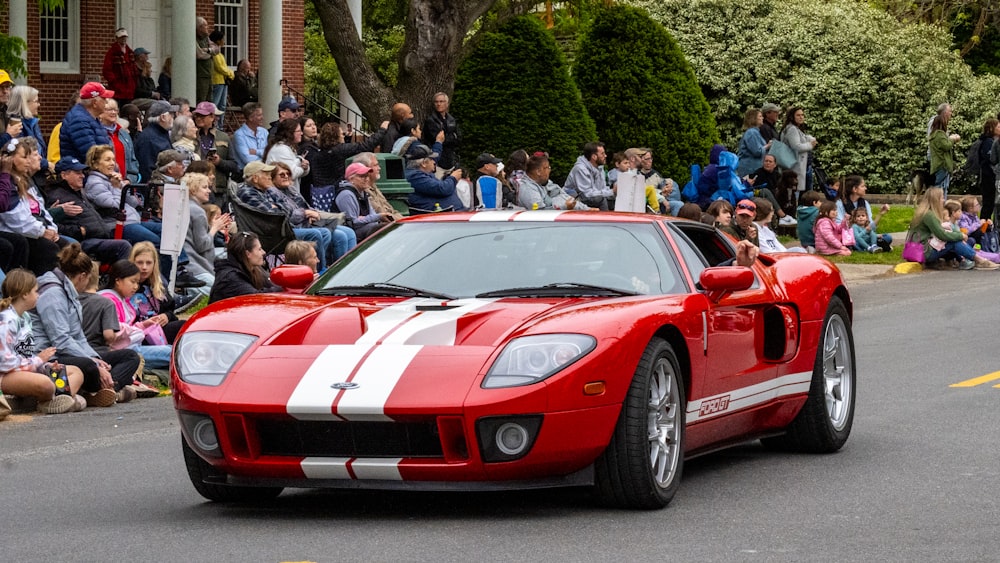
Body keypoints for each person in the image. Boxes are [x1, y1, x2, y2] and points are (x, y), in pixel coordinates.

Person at [29, 244, 141, 406]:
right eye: (88, 278)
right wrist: (93, 363)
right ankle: (104, 389)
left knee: (130, 356)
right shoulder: (53, 294)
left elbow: (79, 336)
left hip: (69, 350)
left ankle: (103, 389)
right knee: (88, 366)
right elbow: (61, 340)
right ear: (82, 276)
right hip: (51, 353)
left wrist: (95, 358)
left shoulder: (69, 291)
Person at [1, 268, 84, 414]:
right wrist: (38, 361)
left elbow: (25, 354)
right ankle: (58, 398)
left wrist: (44, 366)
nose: (38, 295)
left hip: (25, 370)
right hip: (6, 376)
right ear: (25, 294)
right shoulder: (7, 320)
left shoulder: (25, 318)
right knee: (46, 384)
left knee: (76, 372)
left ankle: (55, 400)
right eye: (35, 291)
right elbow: (5, 362)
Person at [44, 156, 132, 264]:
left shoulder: (79, 193)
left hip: (100, 237)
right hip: (84, 242)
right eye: (77, 173)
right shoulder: (56, 196)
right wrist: (79, 231)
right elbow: (52, 225)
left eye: (82, 172)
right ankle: (122, 280)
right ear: (64, 175)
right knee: (123, 246)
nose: (82, 176)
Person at [0, 137, 66, 275]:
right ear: (9, 159)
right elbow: (15, 218)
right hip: (21, 231)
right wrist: (42, 232)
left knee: (69, 246)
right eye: (24, 157)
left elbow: (41, 210)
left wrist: (51, 229)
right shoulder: (7, 181)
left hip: (34, 229)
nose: (28, 161)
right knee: (47, 248)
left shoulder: (23, 181)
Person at [98, 259, 172, 368]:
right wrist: (135, 330)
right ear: (118, 281)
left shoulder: (123, 300)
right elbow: (113, 330)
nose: (136, 286)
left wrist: (143, 325)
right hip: (120, 351)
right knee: (172, 353)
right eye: (132, 282)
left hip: (129, 346)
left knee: (174, 350)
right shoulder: (109, 300)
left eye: (137, 282)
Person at [130, 242, 189, 343]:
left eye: (148, 263)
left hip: (157, 331)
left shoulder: (157, 285)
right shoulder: (125, 285)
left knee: (185, 326)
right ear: (132, 263)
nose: (144, 267)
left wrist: (166, 316)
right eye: (140, 263)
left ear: (154, 264)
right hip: (135, 334)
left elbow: (171, 311)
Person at [310, 120, 388, 191]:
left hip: (322, 194)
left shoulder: (318, 153)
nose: (343, 136)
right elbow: (366, 145)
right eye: (341, 134)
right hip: (337, 190)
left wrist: (347, 138)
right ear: (336, 136)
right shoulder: (340, 150)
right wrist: (382, 130)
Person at [208, 231, 282, 304]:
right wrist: (282, 289)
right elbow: (255, 297)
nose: (263, 252)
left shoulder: (253, 268)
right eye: (259, 249)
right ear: (248, 254)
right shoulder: (230, 278)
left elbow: (271, 283)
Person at [181, 172, 226, 291]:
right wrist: (215, 228)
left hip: (185, 266)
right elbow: (202, 245)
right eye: (204, 187)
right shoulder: (198, 212)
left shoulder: (183, 206)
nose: (209, 191)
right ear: (193, 190)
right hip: (196, 267)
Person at [336, 162, 393, 241]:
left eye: (367, 176)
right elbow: (353, 223)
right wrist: (378, 216)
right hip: (347, 232)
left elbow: (371, 214)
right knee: (378, 228)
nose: (366, 179)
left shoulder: (363, 192)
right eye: (362, 176)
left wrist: (367, 218)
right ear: (351, 179)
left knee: (388, 226)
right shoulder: (346, 195)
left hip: (363, 227)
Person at [60, 82, 115, 163]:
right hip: (82, 173)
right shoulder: (79, 121)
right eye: (104, 99)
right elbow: (92, 155)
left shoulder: (90, 118)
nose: (106, 102)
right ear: (94, 103)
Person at [192, 102, 238, 198]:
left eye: (202, 116)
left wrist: (219, 162)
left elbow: (234, 166)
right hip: (195, 188)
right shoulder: (191, 135)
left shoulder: (223, 137)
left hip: (218, 189)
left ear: (212, 117)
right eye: (197, 115)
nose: (198, 118)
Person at [404, 143, 467, 213]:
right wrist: (453, 178)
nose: (434, 162)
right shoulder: (414, 176)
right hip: (438, 218)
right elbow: (442, 189)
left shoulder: (421, 174)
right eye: (431, 159)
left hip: (449, 215)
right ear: (424, 163)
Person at [517, 152, 589, 211]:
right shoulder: (528, 190)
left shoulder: (545, 183)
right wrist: (564, 207)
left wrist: (587, 209)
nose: (549, 170)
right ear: (538, 171)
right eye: (547, 167)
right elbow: (539, 213)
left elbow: (567, 198)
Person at [7, 85, 52, 176]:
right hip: (24, 177)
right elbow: (25, 154)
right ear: (25, 103)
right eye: (36, 101)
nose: (39, 104)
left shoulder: (33, 124)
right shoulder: (16, 126)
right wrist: (46, 164)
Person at [834, 175, 890, 246]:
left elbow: (870, 225)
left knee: (887, 237)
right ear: (855, 189)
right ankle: (870, 244)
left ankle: (868, 243)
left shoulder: (865, 203)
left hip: (865, 234)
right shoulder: (840, 203)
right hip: (849, 235)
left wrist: (880, 214)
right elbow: (839, 226)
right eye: (863, 186)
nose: (865, 188)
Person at [348, 152, 405, 220]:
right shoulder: (363, 190)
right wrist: (404, 221)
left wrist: (406, 219)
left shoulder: (373, 185)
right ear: (366, 168)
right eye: (376, 165)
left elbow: (391, 209)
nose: (379, 168)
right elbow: (383, 215)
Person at [134, 99, 178, 181]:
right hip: (156, 188)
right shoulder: (149, 138)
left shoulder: (161, 133)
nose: (173, 118)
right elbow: (147, 169)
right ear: (163, 117)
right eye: (171, 114)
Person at [263, 119, 310, 197]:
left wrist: (305, 167)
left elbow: (295, 170)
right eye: (298, 131)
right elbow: (291, 173)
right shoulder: (281, 149)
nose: (301, 133)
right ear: (290, 133)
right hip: (282, 194)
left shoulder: (288, 148)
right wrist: (301, 165)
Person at [98, 98, 140, 184]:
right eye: (109, 109)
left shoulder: (124, 134)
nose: (113, 112)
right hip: (105, 183)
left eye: (115, 109)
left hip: (125, 185)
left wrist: (130, 180)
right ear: (100, 112)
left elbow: (133, 160)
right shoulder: (96, 134)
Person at [564, 142, 612, 210]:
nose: (605, 155)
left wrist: (615, 192)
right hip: (577, 199)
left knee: (606, 200)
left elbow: (602, 189)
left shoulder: (600, 168)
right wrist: (612, 192)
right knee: (601, 200)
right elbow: (587, 194)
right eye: (602, 153)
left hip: (592, 198)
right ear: (594, 157)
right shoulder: (580, 169)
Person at [779, 107, 817, 193]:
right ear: (792, 117)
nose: (801, 117)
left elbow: (804, 137)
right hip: (795, 167)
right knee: (795, 191)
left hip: (800, 166)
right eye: (798, 115)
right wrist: (810, 145)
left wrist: (811, 139)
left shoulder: (796, 129)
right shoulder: (792, 129)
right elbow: (796, 146)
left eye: (802, 115)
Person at [421, 92, 461, 169]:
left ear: (447, 103)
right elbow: (436, 139)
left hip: (450, 158)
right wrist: (452, 136)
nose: (438, 104)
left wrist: (448, 138)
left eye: (441, 101)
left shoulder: (451, 119)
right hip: (437, 159)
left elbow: (459, 138)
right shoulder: (431, 120)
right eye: (436, 102)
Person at [102, 28, 137, 106]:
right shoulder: (112, 53)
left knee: (128, 109)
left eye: (125, 37)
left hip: (129, 89)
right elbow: (106, 70)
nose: (123, 39)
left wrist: (134, 83)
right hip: (118, 89)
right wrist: (115, 83)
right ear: (117, 38)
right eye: (121, 37)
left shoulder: (130, 52)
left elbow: (133, 68)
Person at [928, 114, 959, 197]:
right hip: (942, 164)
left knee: (939, 185)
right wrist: (952, 139)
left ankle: (938, 204)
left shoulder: (933, 135)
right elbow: (946, 146)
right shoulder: (940, 134)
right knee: (941, 187)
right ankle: (940, 205)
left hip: (936, 164)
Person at [737, 108, 771, 178]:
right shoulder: (751, 133)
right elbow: (757, 151)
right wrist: (768, 146)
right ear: (753, 118)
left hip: (754, 168)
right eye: (760, 116)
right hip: (749, 169)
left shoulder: (756, 132)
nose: (763, 118)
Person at [232, 102, 268, 169]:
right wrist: (266, 160)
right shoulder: (239, 135)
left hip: (265, 172)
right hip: (245, 175)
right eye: (259, 115)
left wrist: (257, 152)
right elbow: (248, 160)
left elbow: (270, 152)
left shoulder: (264, 132)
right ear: (250, 118)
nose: (262, 117)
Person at [208, 30, 234, 115]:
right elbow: (220, 67)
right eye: (222, 39)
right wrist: (231, 73)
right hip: (217, 81)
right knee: (215, 104)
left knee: (222, 105)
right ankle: (214, 123)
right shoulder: (214, 52)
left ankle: (220, 125)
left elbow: (224, 67)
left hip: (223, 82)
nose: (224, 41)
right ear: (218, 40)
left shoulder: (220, 53)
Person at [195, 17, 219, 103]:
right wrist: (210, 53)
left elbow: (217, 49)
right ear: (200, 27)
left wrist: (208, 50)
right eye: (205, 26)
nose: (207, 27)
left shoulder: (206, 37)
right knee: (201, 101)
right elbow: (199, 54)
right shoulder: (194, 38)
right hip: (201, 76)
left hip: (209, 75)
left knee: (210, 101)